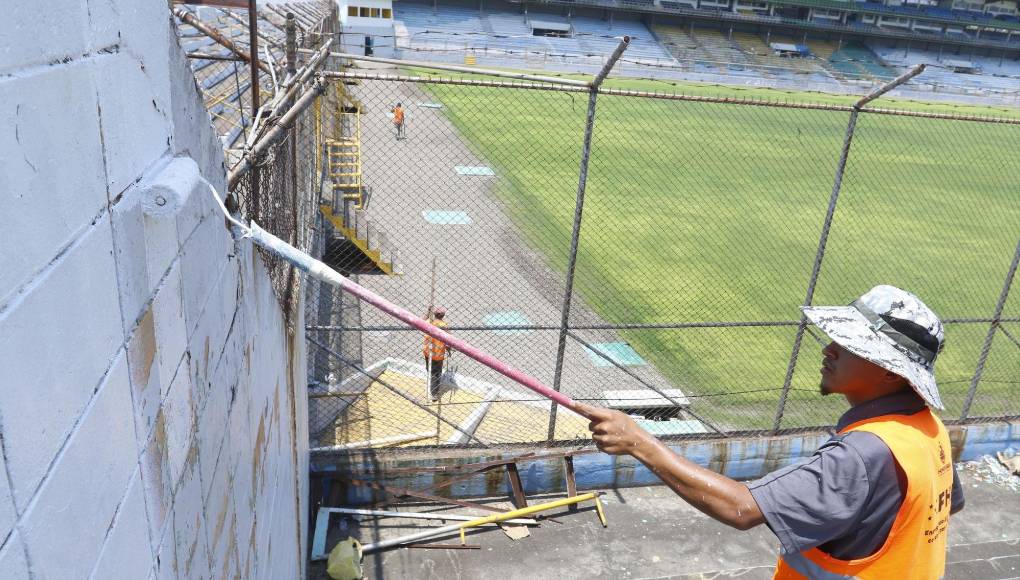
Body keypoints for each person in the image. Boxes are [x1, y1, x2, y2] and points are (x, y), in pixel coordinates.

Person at [579, 285, 964, 579]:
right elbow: (944, 506)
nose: (829, 350)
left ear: (890, 371)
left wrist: (639, 442)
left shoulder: (863, 454)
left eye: (849, 344)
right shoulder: (927, 429)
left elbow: (741, 508)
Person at [423, 306, 449, 401]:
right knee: (437, 374)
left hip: (427, 352)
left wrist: (428, 312)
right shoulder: (444, 325)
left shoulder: (429, 322)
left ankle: (431, 382)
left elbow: (420, 321)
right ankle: (434, 394)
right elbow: (448, 340)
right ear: (443, 315)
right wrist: (449, 349)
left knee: (431, 370)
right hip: (438, 354)